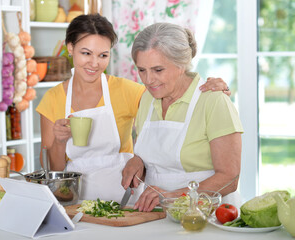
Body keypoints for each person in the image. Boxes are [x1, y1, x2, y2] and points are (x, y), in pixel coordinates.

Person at [36, 14, 230, 203]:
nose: (94, 63)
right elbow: (52, 170)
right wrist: (60, 142)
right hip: (77, 200)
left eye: (103, 55)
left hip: (127, 199)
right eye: (86, 53)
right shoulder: (52, 99)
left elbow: (170, 98)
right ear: (70, 48)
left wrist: (209, 87)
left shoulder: (127, 90)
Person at [121, 23, 243, 211]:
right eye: (142, 70)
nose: (147, 80)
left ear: (181, 65)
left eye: (158, 70)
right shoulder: (147, 98)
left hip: (207, 216)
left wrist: (172, 197)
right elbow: (156, 157)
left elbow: (230, 178)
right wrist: (138, 161)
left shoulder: (213, 101)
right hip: (157, 215)